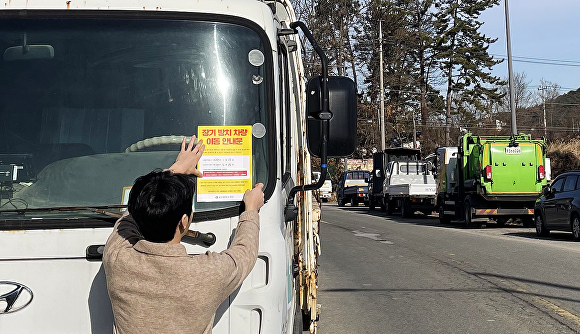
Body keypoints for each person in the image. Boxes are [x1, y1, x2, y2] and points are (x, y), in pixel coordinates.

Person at [103, 135, 264, 334]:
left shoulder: (117, 259)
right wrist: (250, 210)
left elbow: (128, 219)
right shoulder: (207, 273)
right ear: (184, 222)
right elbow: (243, 253)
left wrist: (174, 171)